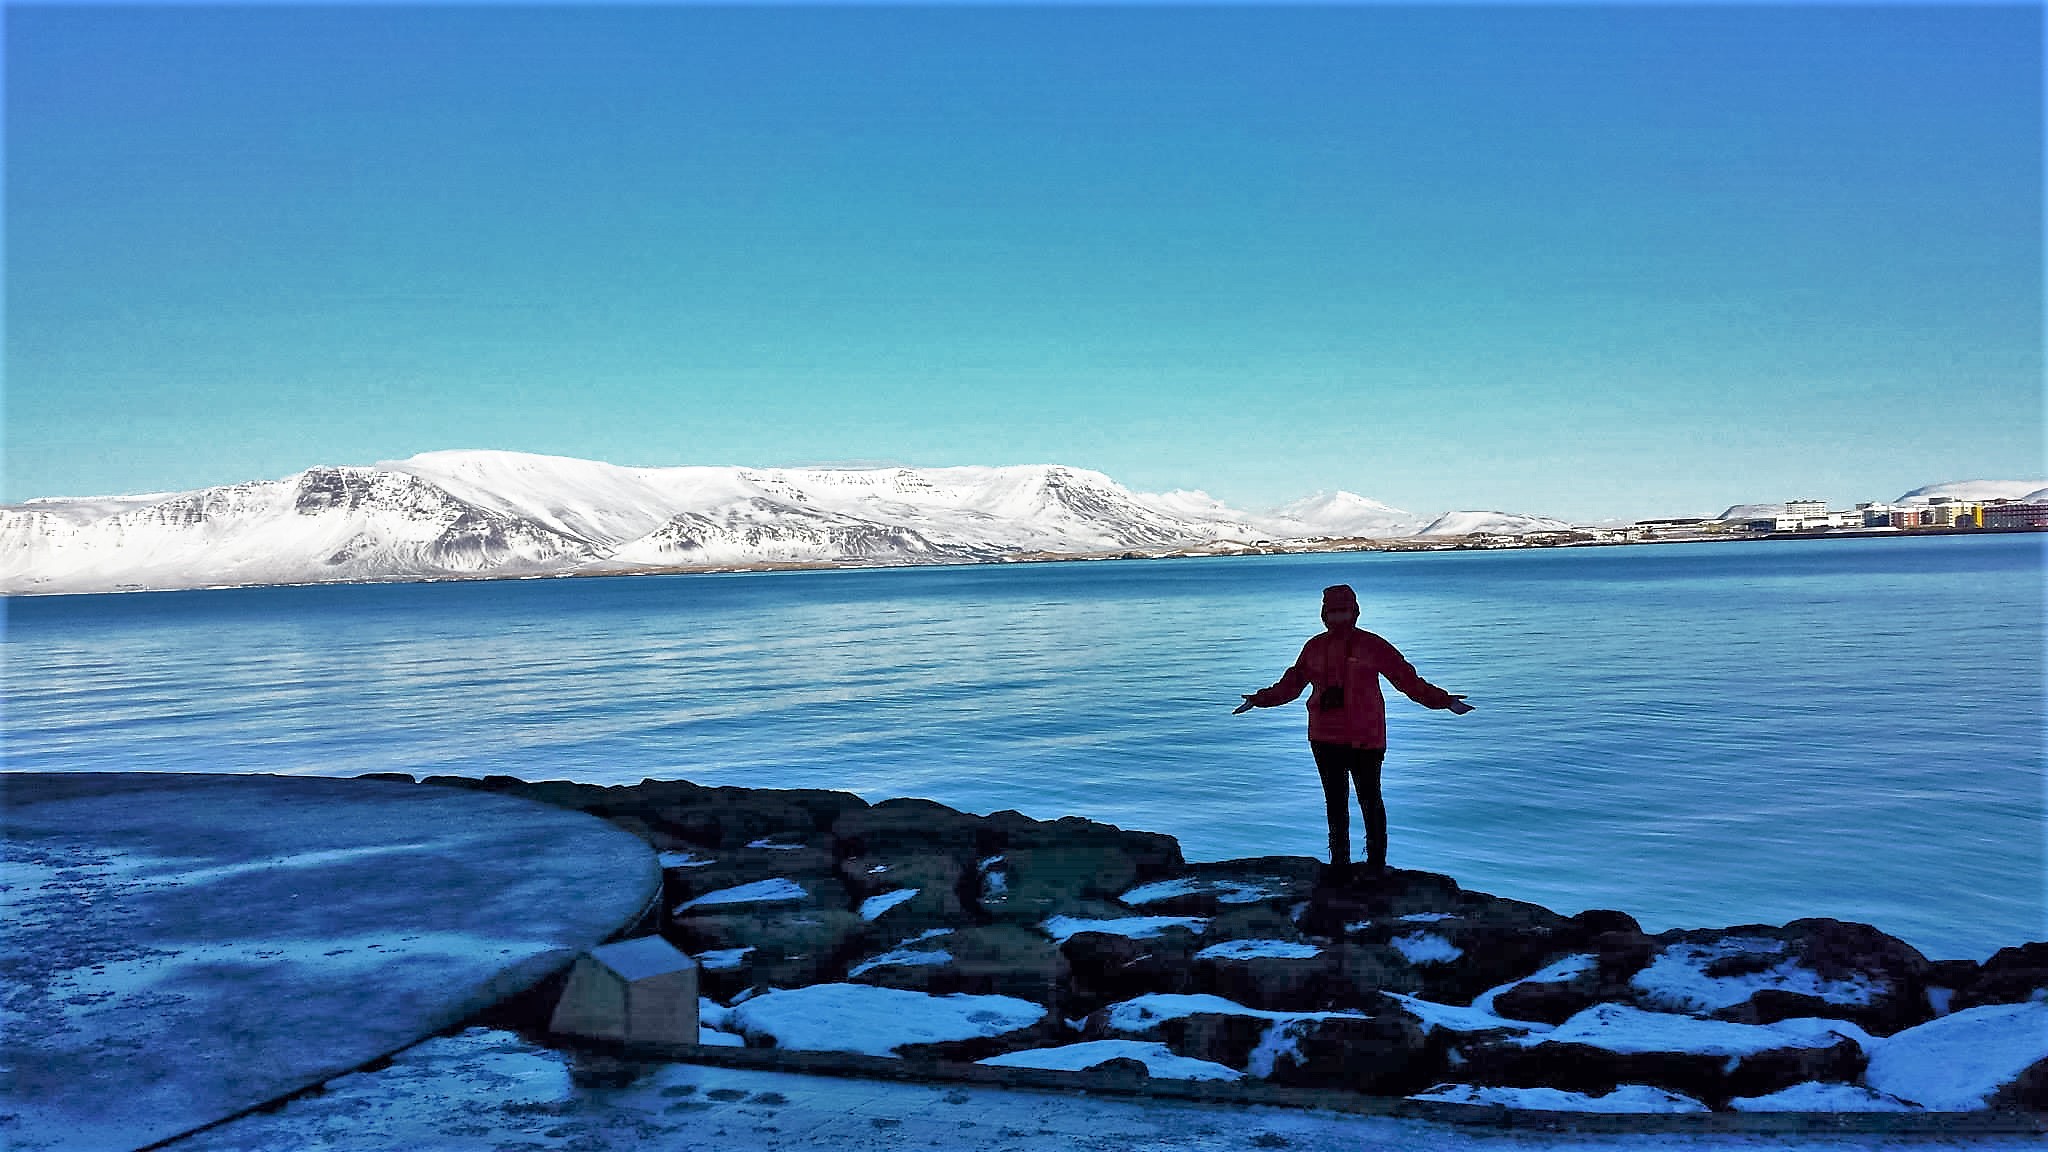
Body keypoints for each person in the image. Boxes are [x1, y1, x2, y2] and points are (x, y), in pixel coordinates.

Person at [1233, 584, 1473, 884]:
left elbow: (1407, 680)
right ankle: (1340, 867)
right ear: (1324, 613)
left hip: (1366, 738)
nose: (1339, 617)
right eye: (1333, 611)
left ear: (1354, 611)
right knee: (1336, 802)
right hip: (1325, 737)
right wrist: (1258, 699)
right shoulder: (1314, 647)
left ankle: (1375, 865)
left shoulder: (1372, 645)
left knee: (1370, 800)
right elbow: (1291, 685)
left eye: (1343, 610)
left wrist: (1444, 701)